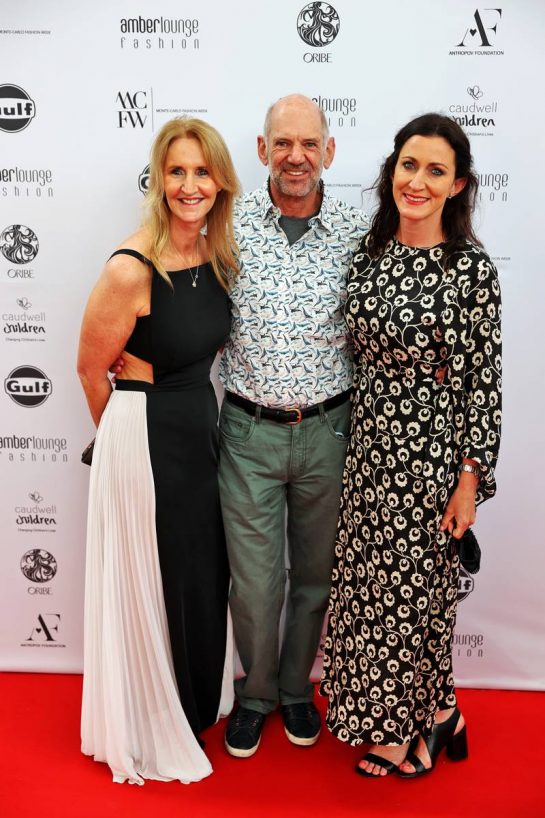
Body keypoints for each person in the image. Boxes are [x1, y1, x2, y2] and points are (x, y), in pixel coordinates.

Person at [320, 113, 502, 778]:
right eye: (408, 165)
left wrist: (468, 480)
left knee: (410, 596)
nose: (417, 181)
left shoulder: (470, 270)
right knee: (373, 591)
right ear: (391, 170)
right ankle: (442, 711)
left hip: (429, 458)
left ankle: (399, 730)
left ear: (458, 185)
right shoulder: (370, 254)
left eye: (435, 170)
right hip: (367, 448)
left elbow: (483, 384)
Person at [77, 117, 240, 784]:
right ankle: (149, 717)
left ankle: (194, 701)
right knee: (155, 574)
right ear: (159, 179)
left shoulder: (216, 253)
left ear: (220, 181)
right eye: (177, 171)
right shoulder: (130, 267)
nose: (189, 185)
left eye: (202, 171)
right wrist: (122, 445)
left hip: (198, 430)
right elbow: (91, 371)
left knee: (200, 571)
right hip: (143, 434)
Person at [219, 94, 368, 757]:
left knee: (315, 576)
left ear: (328, 151)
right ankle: (254, 695)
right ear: (262, 150)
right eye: (282, 143)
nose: (296, 156)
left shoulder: (360, 233)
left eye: (309, 143)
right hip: (247, 433)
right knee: (255, 583)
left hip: (329, 432)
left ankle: (295, 690)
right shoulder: (228, 226)